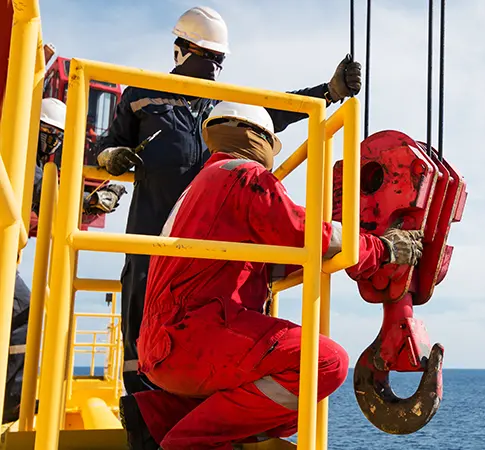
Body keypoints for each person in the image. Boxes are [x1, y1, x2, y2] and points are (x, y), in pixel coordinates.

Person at [117, 102, 423, 449]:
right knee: (324, 363)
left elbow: (274, 257)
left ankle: (158, 415)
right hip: (195, 337)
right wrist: (381, 249)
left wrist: (346, 256)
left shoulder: (201, 187)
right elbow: (302, 232)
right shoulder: (244, 176)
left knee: (279, 395)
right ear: (260, 140)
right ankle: (186, 440)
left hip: (163, 350)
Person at [93, 5, 364, 396]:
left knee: (224, 324)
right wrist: (110, 158)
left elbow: (276, 108)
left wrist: (328, 92)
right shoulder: (141, 95)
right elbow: (107, 142)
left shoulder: (222, 101)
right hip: (151, 238)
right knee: (141, 336)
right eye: (208, 56)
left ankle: (205, 412)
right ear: (180, 50)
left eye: (219, 59)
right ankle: (143, 419)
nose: (214, 68)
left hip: (213, 246)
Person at [2, 97, 126, 423]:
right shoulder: (20, 153)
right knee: (22, 315)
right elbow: (47, 197)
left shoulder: (23, 153)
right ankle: (11, 404)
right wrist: (93, 201)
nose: (52, 142)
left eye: (58, 136)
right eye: (48, 133)